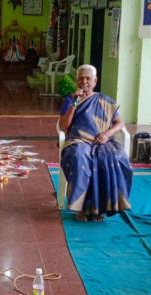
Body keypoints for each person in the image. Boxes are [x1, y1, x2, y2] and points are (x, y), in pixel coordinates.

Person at [58, 64, 133, 221]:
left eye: (88, 78)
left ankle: (100, 209)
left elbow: (119, 123)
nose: (84, 81)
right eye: (81, 78)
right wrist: (75, 104)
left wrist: (107, 134)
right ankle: (83, 208)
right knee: (80, 157)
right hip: (77, 140)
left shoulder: (104, 100)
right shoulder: (70, 99)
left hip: (102, 141)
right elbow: (64, 126)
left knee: (117, 158)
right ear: (76, 80)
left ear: (95, 81)